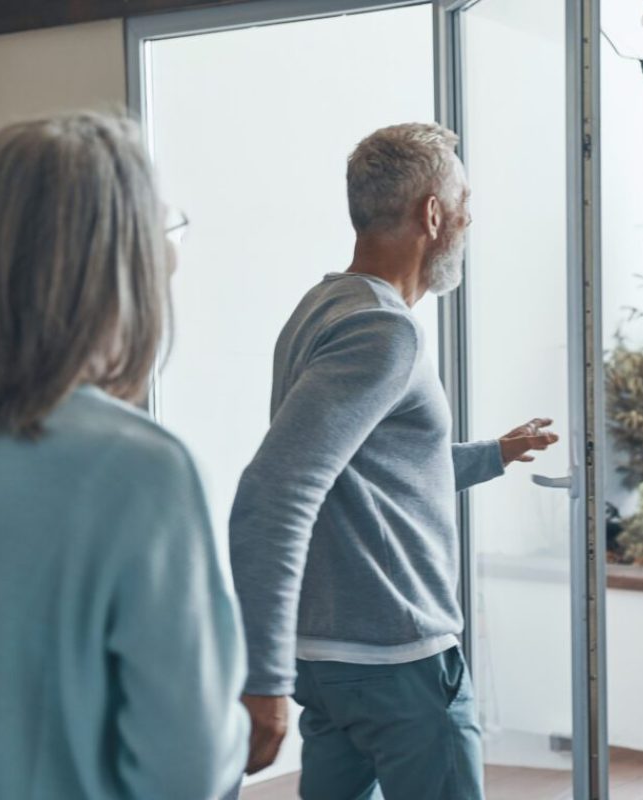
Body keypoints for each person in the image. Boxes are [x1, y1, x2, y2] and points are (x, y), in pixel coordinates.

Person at [0, 113, 248, 799]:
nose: (175, 258)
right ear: (120, 269)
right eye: (164, 234)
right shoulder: (141, 473)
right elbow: (185, 770)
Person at [228, 122, 558, 800]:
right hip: (399, 661)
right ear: (433, 214)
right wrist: (261, 677)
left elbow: (366, 474)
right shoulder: (386, 331)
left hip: (332, 662)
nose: (471, 216)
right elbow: (275, 490)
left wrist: (494, 454)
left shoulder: (321, 307)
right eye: (464, 199)